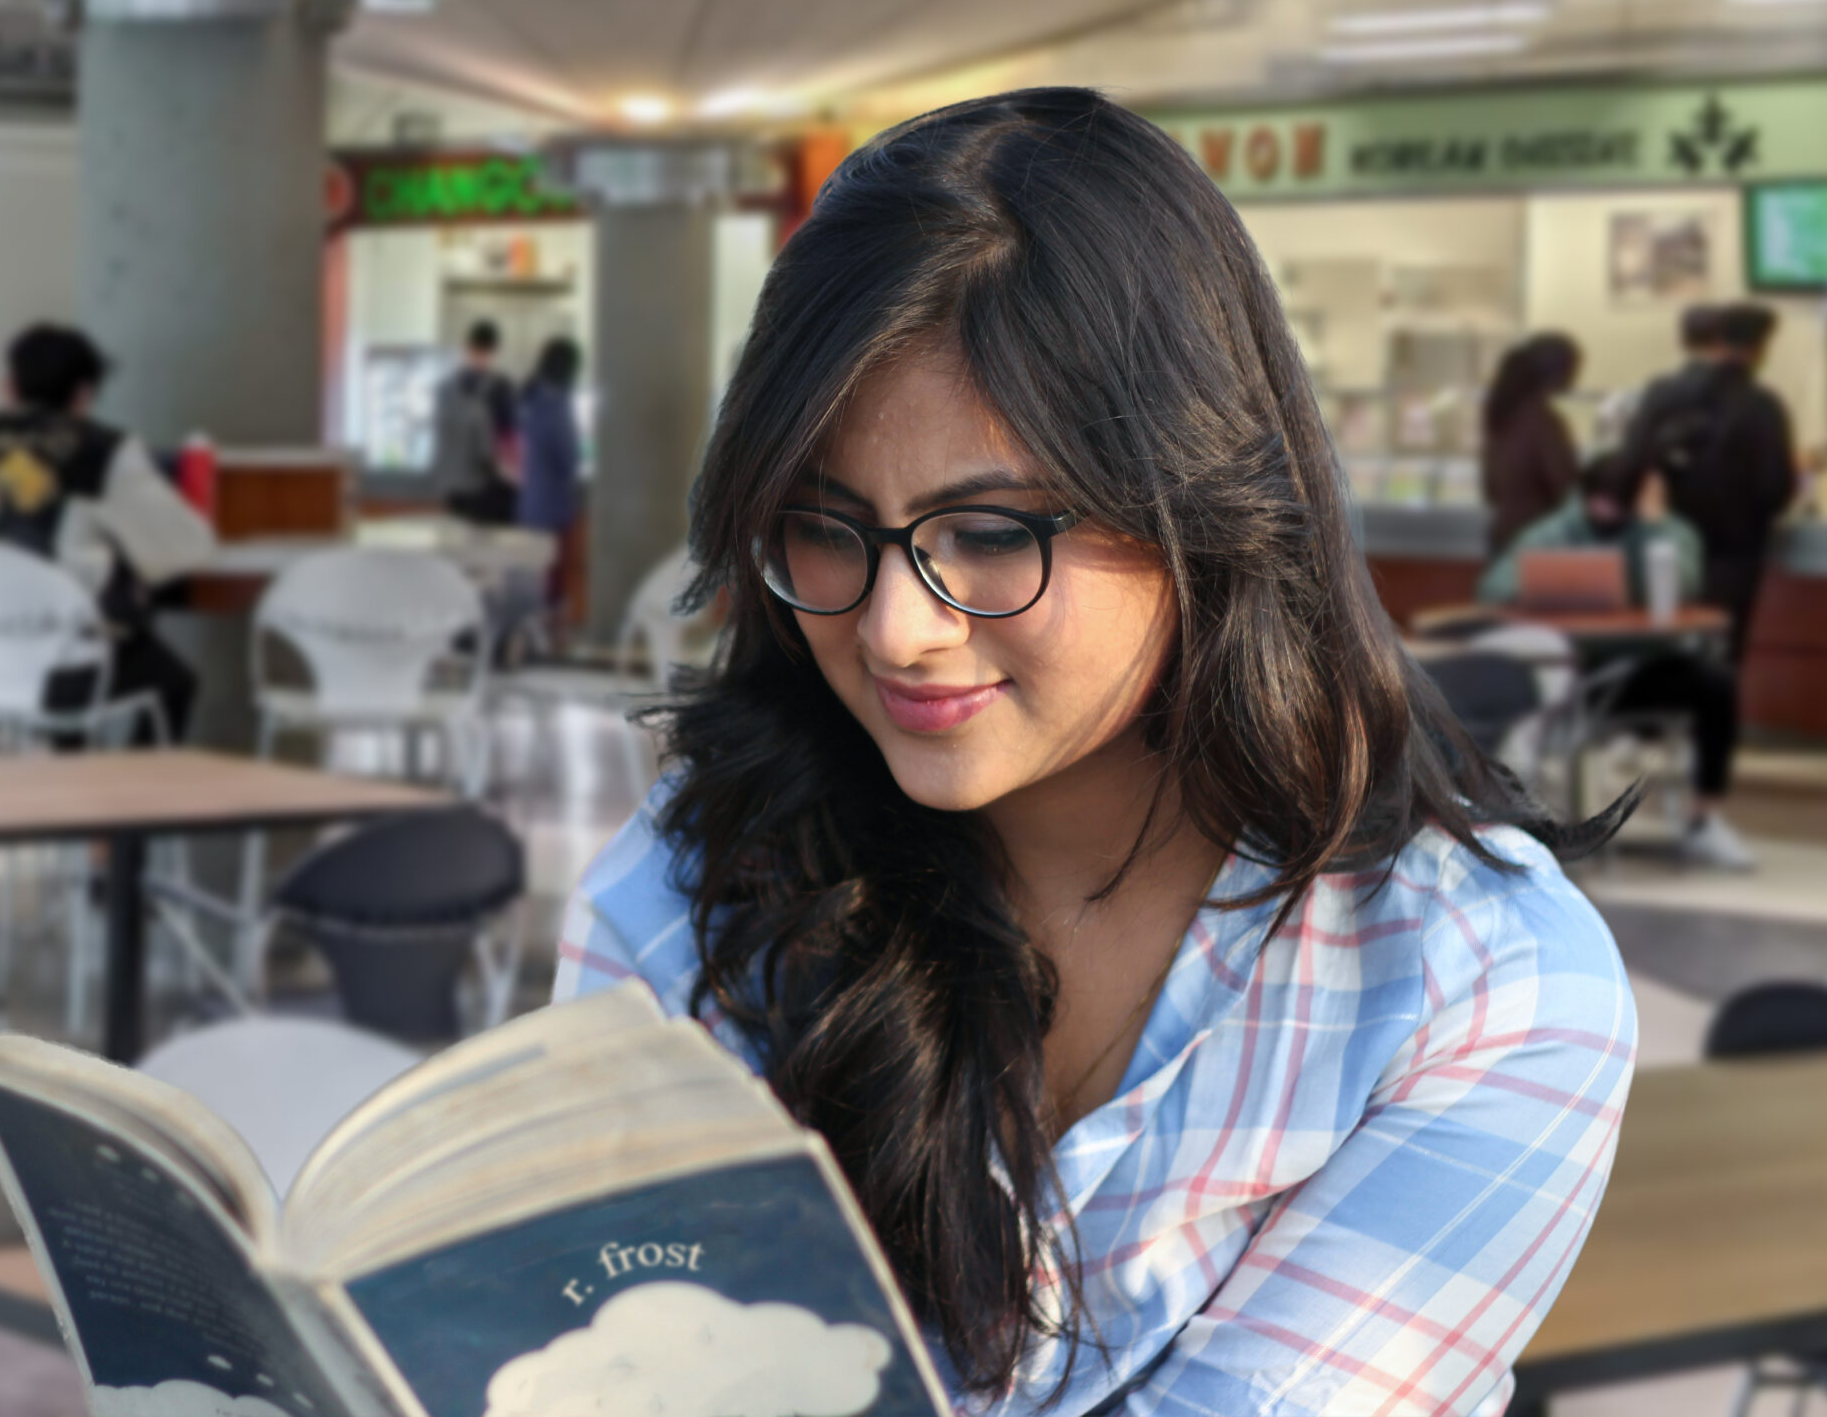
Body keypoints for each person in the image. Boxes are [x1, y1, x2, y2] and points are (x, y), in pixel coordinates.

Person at [554, 90, 1632, 1415]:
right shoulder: (696, 890)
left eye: (989, 534)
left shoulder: (1473, 985)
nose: (896, 630)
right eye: (825, 528)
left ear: (1200, 503)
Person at [0, 324, 216, 739]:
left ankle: (65, 759)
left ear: (8, 387)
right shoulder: (103, 450)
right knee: (173, 682)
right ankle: (136, 781)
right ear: (84, 393)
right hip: (60, 663)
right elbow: (188, 546)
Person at [1479, 450, 1747, 869]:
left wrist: (1653, 529)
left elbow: (1684, 584)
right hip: (1569, 669)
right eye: (1598, 504)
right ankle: (1522, 824)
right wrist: (1546, 586)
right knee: (1507, 686)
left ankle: (1703, 821)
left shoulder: (1670, 533)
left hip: (1642, 667)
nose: (1605, 514)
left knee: (1716, 684)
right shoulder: (1555, 532)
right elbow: (1494, 588)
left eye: (1617, 506)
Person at [1628, 302, 1796, 658]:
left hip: (1663, 544)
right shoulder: (1762, 405)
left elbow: (1632, 462)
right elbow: (1774, 487)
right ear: (1758, 350)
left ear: (1715, 343)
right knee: (1718, 654)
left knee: (1659, 649)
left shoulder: (1660, 393)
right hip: (1733, 554)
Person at [1481, 332, 1581, 555]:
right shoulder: (1543, 421)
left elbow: (1490, 488)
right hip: (1536, 538)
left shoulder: (1503, 414)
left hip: (1504, 532)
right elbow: (1563, 486)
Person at [516, 338, 583, 612]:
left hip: (531, 503)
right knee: (554, 579)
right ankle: (550, 627)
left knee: (534, 574)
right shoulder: (557, 402)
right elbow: (568, 456)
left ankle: (534, 624)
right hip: (555, 506)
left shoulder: (531, 398)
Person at [432, 320, 517, 524]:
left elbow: (441, 437)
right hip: (489, 487)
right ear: (494, 352)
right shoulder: (501, 387)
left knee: (458, 538)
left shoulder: (445, 388)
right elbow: (510, 437)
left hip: (455, 485)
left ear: (466, 347)